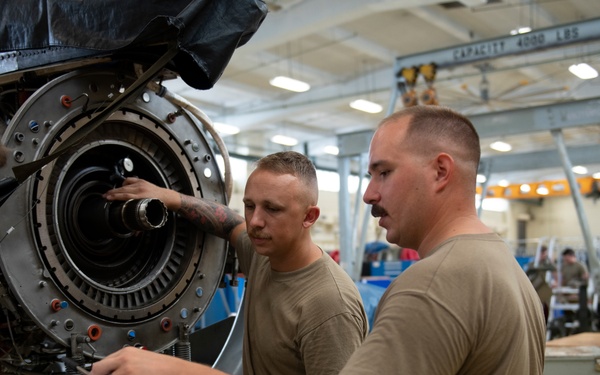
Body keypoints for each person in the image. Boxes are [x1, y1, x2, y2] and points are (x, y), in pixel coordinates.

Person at [91, 151, 368, 375]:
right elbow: (229, 222)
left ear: (310, 217)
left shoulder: (330, 306)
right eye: (250, 205)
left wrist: (181, 371)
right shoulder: (262, 254)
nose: (256, 221)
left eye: (272, 209)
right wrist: (171, 198)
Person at [339, 105, 546, 374]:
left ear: (440, 171)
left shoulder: (431, 285)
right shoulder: (509, 270)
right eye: (371, 176)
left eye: (384, 172)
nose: (368, 194)